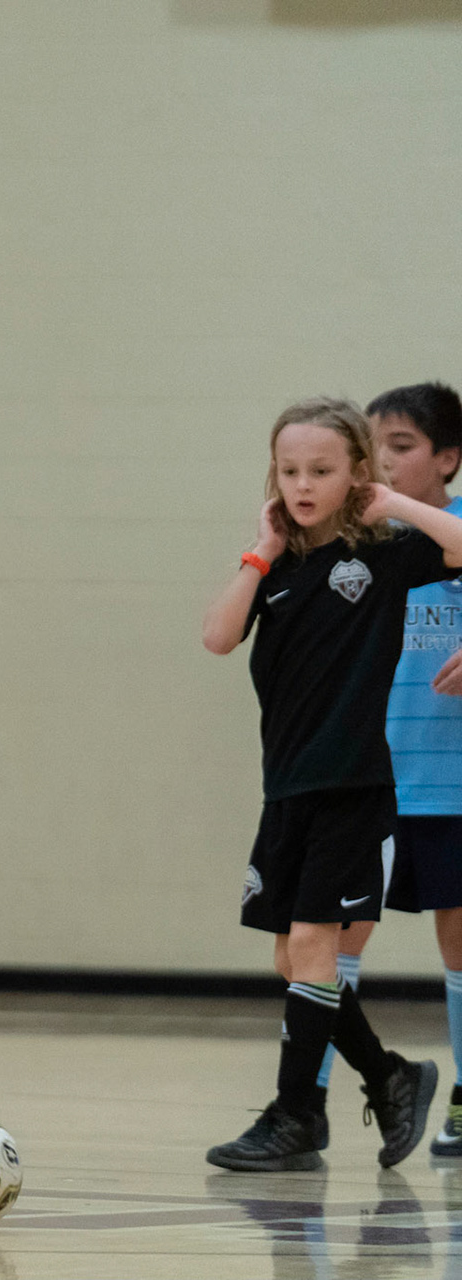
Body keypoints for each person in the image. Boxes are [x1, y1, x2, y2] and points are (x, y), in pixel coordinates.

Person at [201, 395, 462, 1172]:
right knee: (294, 959)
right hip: (287, 790)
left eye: (322, 469)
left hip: (355, 788)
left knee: (314, 945)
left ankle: (295, 1115)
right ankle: (389, 1076)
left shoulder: (385, 554)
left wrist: (398, 506)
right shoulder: (277, 568)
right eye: (289, 471)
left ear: (356, 475)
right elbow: (216, 637)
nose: (303, 484)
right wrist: (258, 552)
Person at [316, 383, 462, 1155]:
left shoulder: (446, 531)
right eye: (375, 449)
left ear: (448, 458)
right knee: (326, 940)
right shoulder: (358, 545)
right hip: (371, 777)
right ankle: (302, 1101)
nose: (385, 464)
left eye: (401, 447)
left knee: (459, 943)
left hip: (452, 781)